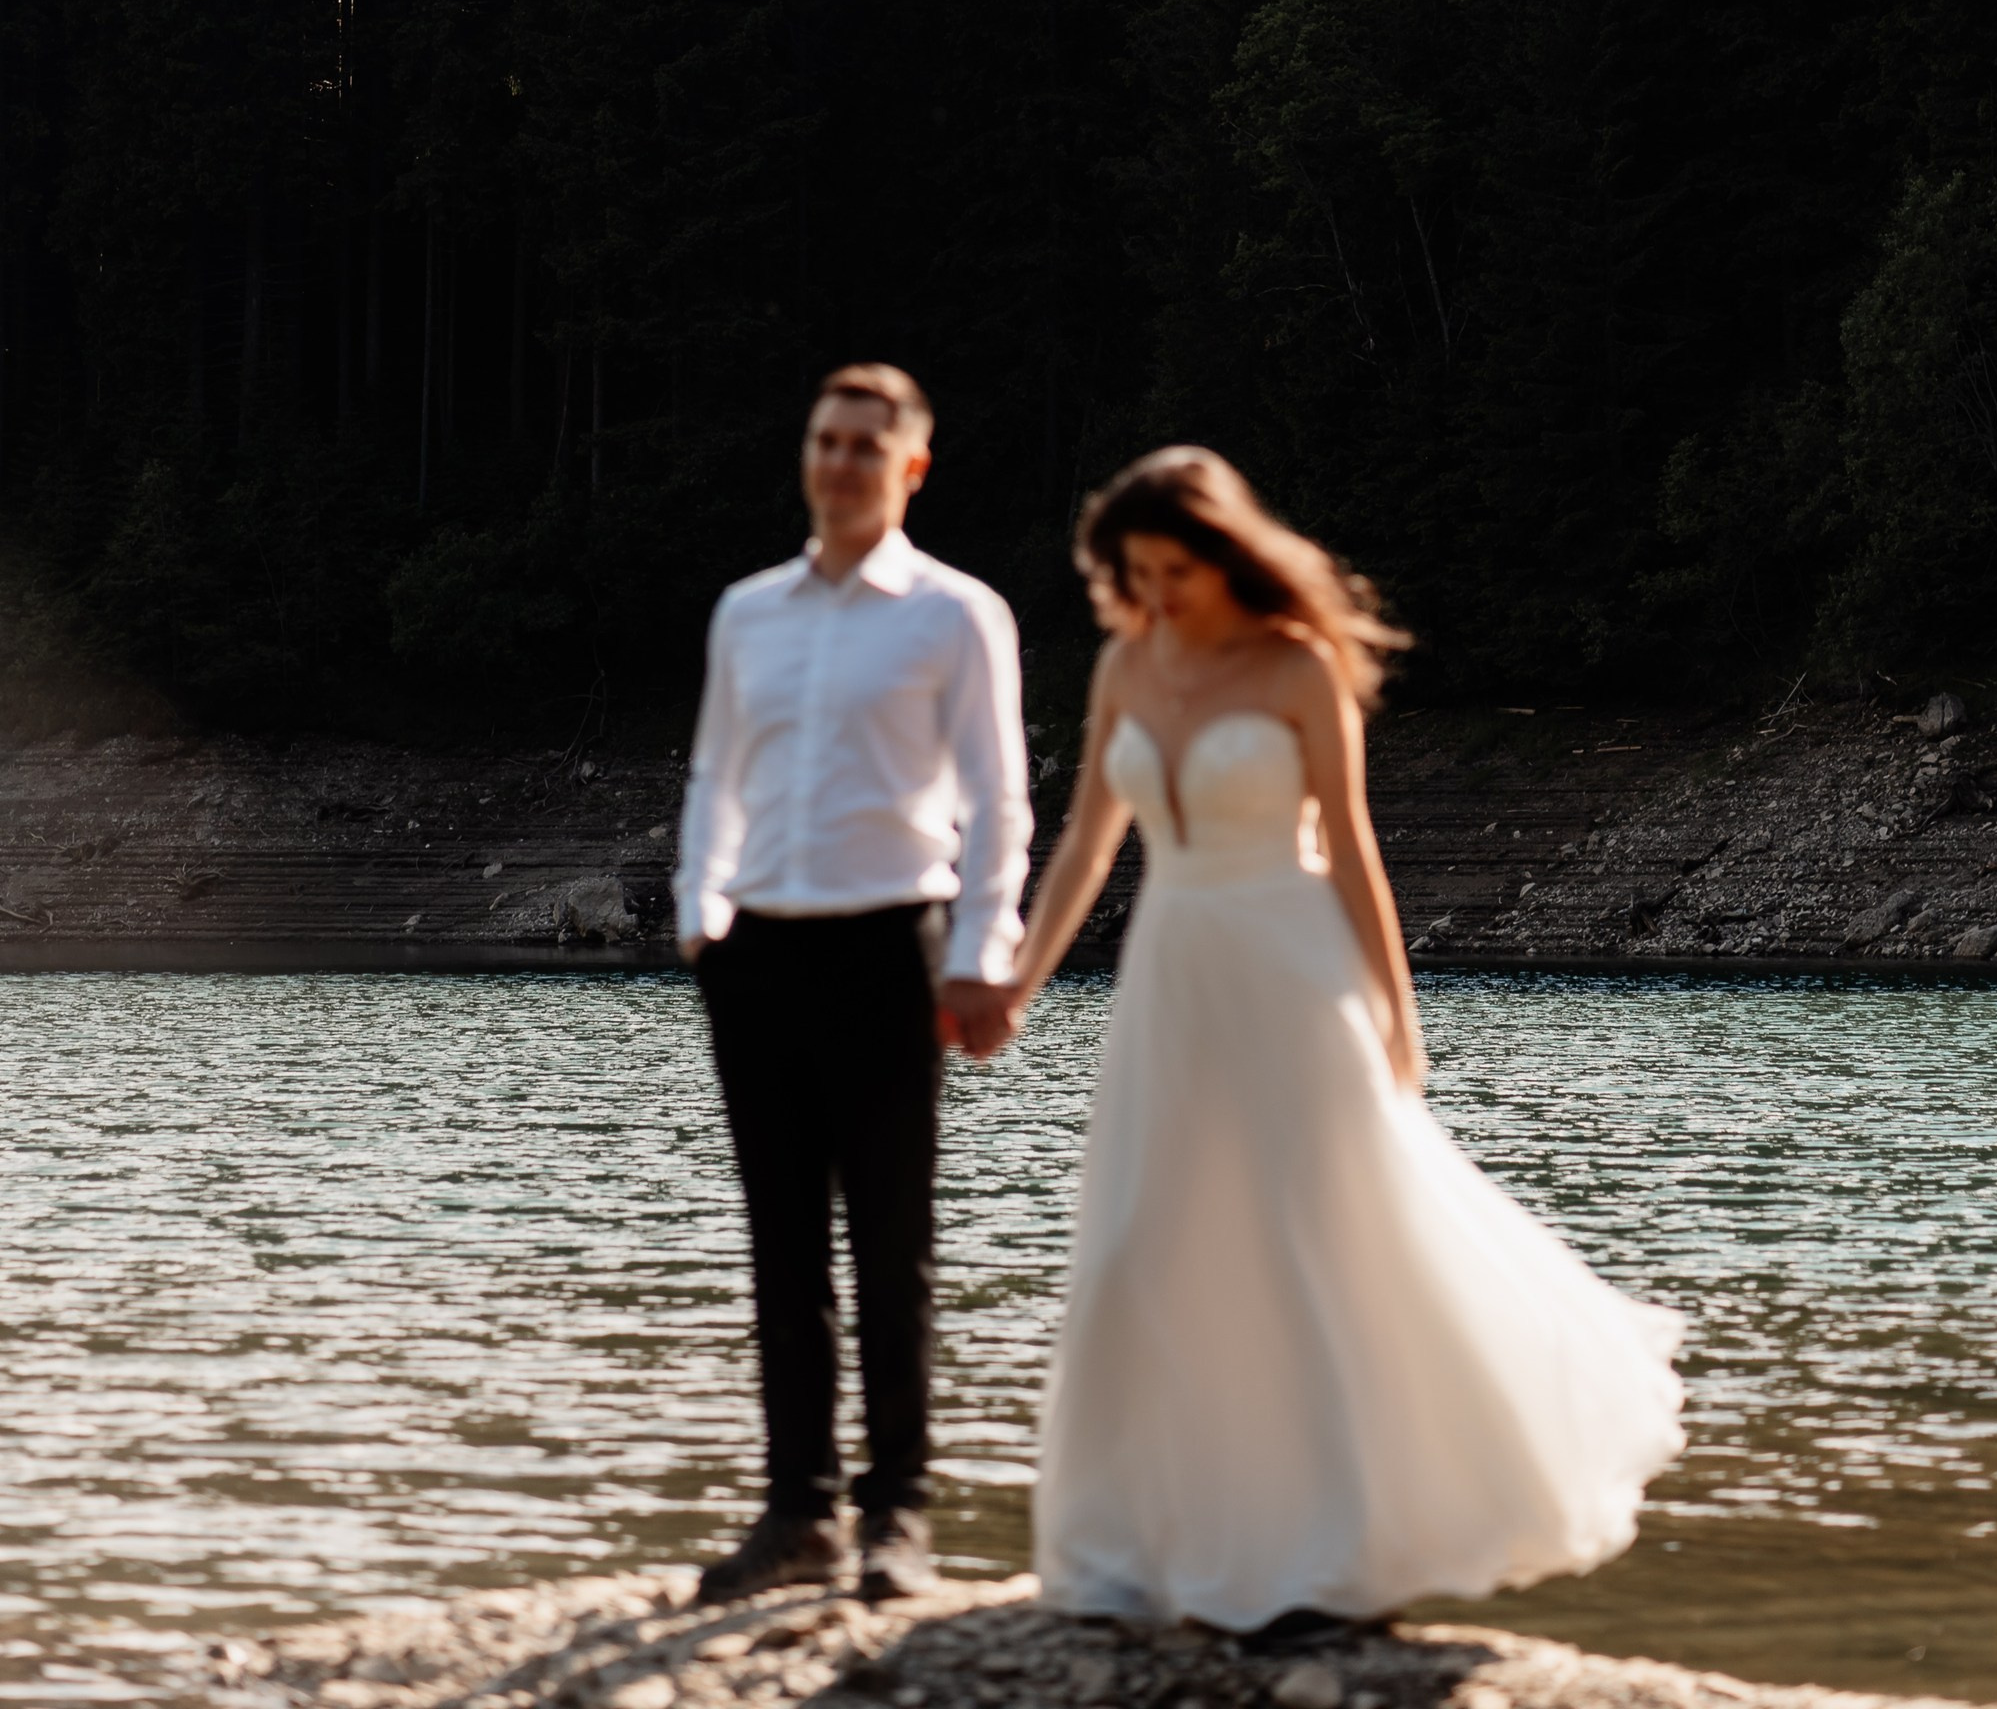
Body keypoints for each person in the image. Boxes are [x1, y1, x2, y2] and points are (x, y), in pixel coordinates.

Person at [1009, 447, 1684, 1633]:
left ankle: (1321, 1560)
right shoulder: (1125, 663)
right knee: (1138, 1242)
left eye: (1177, 568)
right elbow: (1084, 846)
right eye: (1137, 573)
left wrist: (1395, 1016)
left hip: (1288, 966)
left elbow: (1353, 844)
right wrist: (1017, 979)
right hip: (1169, 974)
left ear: (1225, 554)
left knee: (1295, 1241)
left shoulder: (1295, 666)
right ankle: (1125, 1553)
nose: (1159, 593)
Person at [675, 364, 1031, 1605]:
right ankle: (796, 1514)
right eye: (823, 439)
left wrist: (986, 953)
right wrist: (697, 917)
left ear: (910, 466)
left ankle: (898, 1517)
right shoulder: (746, 611)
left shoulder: (954, 613)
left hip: (892, 943)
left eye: (865, 446)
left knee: (891, 1240)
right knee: (781, 1243)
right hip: (756, 948)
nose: (839, 461)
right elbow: (715, 773)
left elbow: (997, 801)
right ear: (805, 452)